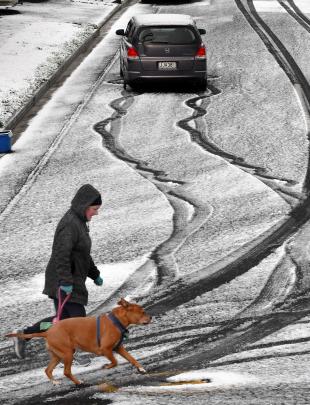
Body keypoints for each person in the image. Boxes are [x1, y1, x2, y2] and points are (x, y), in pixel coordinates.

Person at [12, 184, 104, 361]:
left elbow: (82, 254)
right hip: (63, 280)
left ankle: (25, 334)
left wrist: (94, 274)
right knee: (77, 320)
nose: (96, 213)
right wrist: (66, 282)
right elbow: (61, 255)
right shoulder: (70, 225)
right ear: (84, 206)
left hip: (70, 280)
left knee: (60, 321)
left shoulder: (80, 223)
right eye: (94, 209)